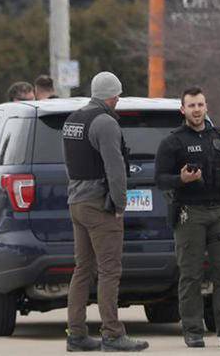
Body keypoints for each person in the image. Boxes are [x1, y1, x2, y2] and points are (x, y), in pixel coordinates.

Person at [63, 72, 148, 353]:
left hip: (76, 201)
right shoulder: (105, 122)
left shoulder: (72, 120)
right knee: (109, 271)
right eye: (118, 97)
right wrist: (120, 203)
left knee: (82, 270)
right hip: (99, 206)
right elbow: (115, 167)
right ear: (113, 96)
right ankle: (112, 334)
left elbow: (71, 162)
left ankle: (76, 334)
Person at [154, 87, 220, 348]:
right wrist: (180, 179)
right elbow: (160, 179)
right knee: (191, 274)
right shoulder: (173, 142)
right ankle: (193, 330)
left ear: (206, 107)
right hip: (189, 212)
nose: (196, 110)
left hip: (219, 211)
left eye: (200, 105)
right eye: (191, 106)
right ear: (183, 109)